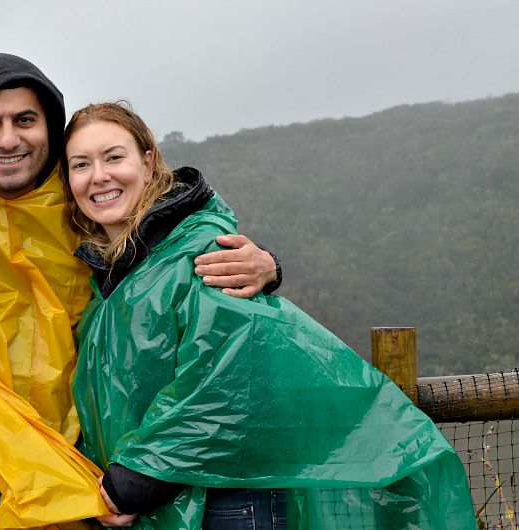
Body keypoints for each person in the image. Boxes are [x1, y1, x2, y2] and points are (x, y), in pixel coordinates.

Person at [0, 52, 281, 529]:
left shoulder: (88, 195)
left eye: (25, 120)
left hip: (73, 475)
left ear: (50, 128)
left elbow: (173, 231)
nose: (8, 138)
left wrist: (262, 263)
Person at [61, 102, 477, 529]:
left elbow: (229, 380)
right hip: (163, 503)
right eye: (81, 164)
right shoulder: (107, 277)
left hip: (223, 506)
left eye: (114, 157)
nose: (99, 176)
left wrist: (133, 480)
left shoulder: (204, 255)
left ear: (148, 163)